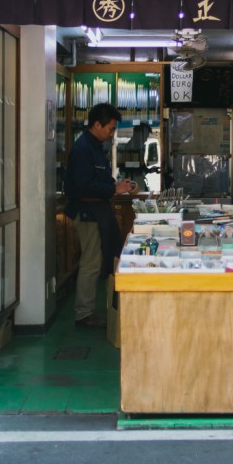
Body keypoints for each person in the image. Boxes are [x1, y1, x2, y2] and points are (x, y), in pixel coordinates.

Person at [64, 103, 137, 328]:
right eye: (110, 128)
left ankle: (103, 308)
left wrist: (116, 185)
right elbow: (85, 185)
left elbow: (101, 180)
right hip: (87, 213)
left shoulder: (96, 146)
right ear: (97, 124)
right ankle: (83, 314)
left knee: (104, 259)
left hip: (100, 211)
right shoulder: (82, 149)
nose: (112, 133)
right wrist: (114, 190)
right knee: (92, 262)